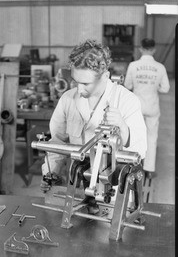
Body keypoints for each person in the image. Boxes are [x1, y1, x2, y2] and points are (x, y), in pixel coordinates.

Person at [40, 39, 147, 213]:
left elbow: (139, 150)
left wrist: (122, 126)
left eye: (86, 84)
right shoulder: (68, 99)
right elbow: (57, 141)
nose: (79, 90)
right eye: (76, 82)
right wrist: (51, 173)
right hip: (78, 190)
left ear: (105, 76)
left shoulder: (126, 101)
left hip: (113, 193)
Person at [124, 38, 170, 184]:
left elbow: (127, 85)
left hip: (136, 106)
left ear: (141, 48)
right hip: (152, 107)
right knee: (151, 137)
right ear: (154, 49)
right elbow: (165, 88)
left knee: (135, 136)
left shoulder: (133, 65)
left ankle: (134, 165)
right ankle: (149, 170)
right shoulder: (160, 67)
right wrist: (153, 87)